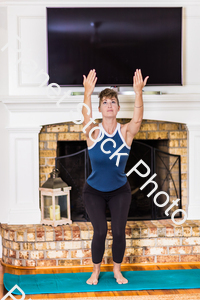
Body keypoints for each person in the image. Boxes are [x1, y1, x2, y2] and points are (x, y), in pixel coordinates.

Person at [82, 69, 149, 285]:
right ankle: (95, 272)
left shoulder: (125, 132)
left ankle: (117, 271)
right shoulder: (92, 132)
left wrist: (138, 92)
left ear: (118, 108)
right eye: (105, 102)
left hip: (120, 190)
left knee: (119, 232)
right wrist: (87, 92)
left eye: (113, 101)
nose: (109, 105)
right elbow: (85, 115)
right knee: (100, 231)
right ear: (100, 108)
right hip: (94, 191)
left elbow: (137, 119)